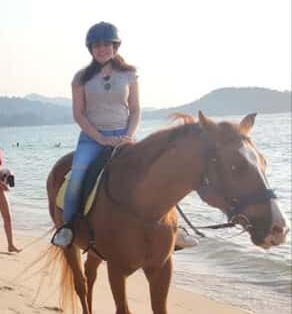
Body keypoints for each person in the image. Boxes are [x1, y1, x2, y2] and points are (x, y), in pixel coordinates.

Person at [50, 22, 198, 250]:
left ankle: (173, 229)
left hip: (124, 136)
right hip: (92, 138)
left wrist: (128, 135)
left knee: (157, 173)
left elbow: (135, 109)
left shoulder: (129, 74)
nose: (102, 49)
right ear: (91, 49)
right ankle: (68, 228)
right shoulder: (81, 78)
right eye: (97, 45)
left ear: (115, 46)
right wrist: (101, 139)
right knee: (77, 177)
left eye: (106, 44)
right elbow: (78, 114)